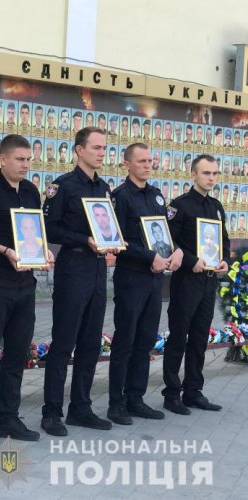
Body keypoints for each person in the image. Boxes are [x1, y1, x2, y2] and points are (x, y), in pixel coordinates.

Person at [0, 134, 49, 447]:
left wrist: (43, 250)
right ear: (3, 159)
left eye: (29, 159)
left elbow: (36, 231)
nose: (26, 165)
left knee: (17, 354)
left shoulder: (30, 191)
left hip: (25, 285)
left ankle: (8, 417)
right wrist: (4, 250)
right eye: (20, 159)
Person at [41, 126, 117, 436]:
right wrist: (83, 239)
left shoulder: (104, 188)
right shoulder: (63, 186)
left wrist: (111, 243)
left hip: (98, 269)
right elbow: (49, 228)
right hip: (73, 267)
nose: (101, 153)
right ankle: (51, 412)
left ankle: (81, 408)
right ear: (79, 150)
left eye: (104, 148)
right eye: (96, 147)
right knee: (64, 341)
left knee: (90, 342)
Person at [107, 143, 183, 426]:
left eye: (150, 160)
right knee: (125, 341)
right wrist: (149, 256)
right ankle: (116, 404)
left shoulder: (156, 196)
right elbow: (118, 240)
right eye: (141, 161)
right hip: (131, 278)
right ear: (127, 164)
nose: (147, 165)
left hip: (154, 279)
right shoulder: (120, 197)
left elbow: (163, 234)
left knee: (146, 340)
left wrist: (175, 251)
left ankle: (135, 398)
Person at [163, 154, 229, 415]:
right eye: (206, 173)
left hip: (208, 282)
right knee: (178, 337)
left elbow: (223, 241)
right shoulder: (179, 206)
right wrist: (191, 261)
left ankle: (193, 391)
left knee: (200, 338)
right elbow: (169, 240)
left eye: (214, 173)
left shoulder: (216, 206)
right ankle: (171, 394)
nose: (211, 178)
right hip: (186, 281)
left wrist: (224, 261)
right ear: (193, 174)